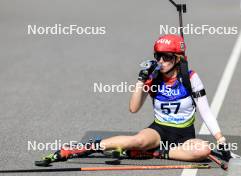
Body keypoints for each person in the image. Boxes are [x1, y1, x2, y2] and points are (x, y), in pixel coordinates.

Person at [36, 34, 230, 166]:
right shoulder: (153, 77)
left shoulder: (190, 78)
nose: (161, 61)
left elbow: (205, 111)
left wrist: (220, 139)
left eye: (166, 56)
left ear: (178, 58)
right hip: (160, 130)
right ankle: (84, 148)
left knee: (203, 150)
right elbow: (133, 108)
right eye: (158, 56)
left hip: (184, 135)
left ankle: (153, 153)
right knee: (136, 140)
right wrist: (140, 80)